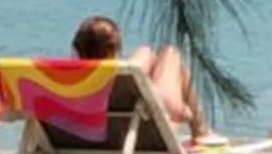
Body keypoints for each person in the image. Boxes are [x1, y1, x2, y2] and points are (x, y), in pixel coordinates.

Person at [71, 16, 213, 139]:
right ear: (113, 48)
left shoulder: (68, 80)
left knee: (145, 52)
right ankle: (201, 131)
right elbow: (178, 113)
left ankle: (199, 129)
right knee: (170, 53)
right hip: (142, 133)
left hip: (103, 136)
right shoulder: (118, 79)